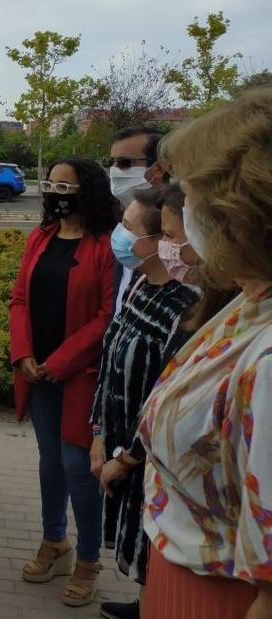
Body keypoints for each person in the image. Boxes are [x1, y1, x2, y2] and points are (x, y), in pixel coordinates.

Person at [137, 88, 272, 619]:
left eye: (189, 195)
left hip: (221, 598)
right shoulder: (248, 301)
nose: (181, 209)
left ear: (236, 212)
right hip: (183, 576)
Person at [9, 158, 119, 607]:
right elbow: (19, 298)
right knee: (49, 461)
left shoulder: (107, 246)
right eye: (51, 183)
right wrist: (24, 355)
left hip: (80, 377)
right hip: (38, 373)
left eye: (66, 186)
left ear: (87, 191)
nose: (56, 192)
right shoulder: (41, 237)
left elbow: (106, 316)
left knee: (79, 466)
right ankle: (55, 541)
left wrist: (60, 361)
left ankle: (89, 559)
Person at [89, 183, 200, 619]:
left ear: (160, 242)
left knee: (150, 539)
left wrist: (127, 457)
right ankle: (145, 599)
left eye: (130, 227)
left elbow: (167, 396)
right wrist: (98, 432)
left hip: (146, 456)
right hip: (115, 439)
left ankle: (153, 604)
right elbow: (111, 356)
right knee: (134, 538)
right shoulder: (137, 283)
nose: (119, 234)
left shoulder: (188, 307)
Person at [106, 127, 170, 318]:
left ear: (158, 168)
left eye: (125, 163)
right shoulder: (119, 212)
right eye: (111, 162)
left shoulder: (176, 226)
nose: (115, 170)